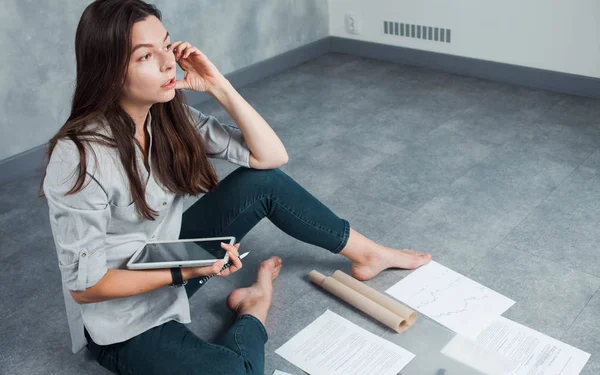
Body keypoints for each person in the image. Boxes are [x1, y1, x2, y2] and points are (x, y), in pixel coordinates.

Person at [39, 1, 432, 374]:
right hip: (121, 321)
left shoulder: (169, 116)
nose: (167, 63)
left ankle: (368, 254)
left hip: (168, 258)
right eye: (145, 56)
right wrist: (184, 272)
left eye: (165, 45)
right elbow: (86, 288)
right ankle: (253, 305)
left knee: (263, 183)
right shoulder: (78, 157)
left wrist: (217, 85)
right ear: (109, 72)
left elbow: (270, 157)